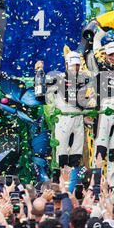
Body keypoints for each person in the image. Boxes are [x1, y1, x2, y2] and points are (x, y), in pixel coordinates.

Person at [39, 52, 91, 190]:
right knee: (61, 151)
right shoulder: (58, 79)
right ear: (67, 65)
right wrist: (39, 72)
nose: (76, 68)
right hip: (63, 117)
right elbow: (43, 92)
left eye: (78, 65)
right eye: (73, 65)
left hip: (78, 118)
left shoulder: (84, 79)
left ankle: (73, 184)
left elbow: (87, 99)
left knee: (76, 151)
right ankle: (57, 183)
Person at [84, 41, 114, 182]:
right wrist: (89, 41)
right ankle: (96, 183)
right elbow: (89, 58)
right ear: (106, 56)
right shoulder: (99, 69)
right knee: (100, 150)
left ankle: (113, 183)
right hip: (103, 115)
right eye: (111, 55)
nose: (113, 57)